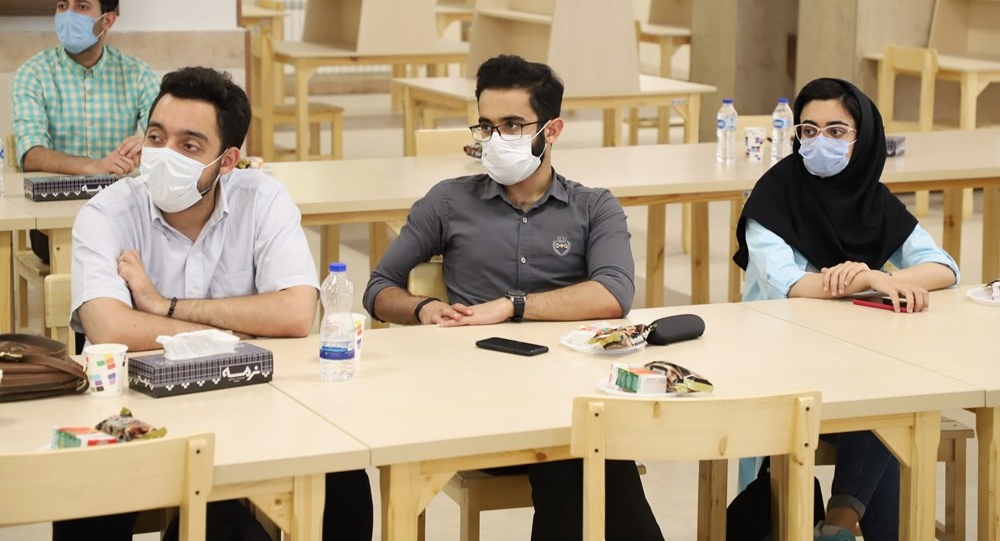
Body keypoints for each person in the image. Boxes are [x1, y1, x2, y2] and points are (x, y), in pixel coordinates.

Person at [363, 54, 663, 541]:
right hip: (476, 403)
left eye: (512, 125)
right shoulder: (448, 201)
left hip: (567, 396)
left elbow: (614, 293)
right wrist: (423, 308)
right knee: (584, 452)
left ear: (552, 130)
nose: (496, 138)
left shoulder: (594, 207)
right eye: (486, 126)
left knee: (584, 445)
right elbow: (378, 288)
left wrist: (513, 305)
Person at [66, 66, 372, 541]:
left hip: (251, 404)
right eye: (155, 138)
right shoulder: (107, 214)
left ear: (227, 161)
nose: (164, 155)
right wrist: (240, 330)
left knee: (344, 476)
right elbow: (110, 328)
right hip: (137, 412)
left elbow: (296, 313)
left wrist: (162, 306)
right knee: (85, 497)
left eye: (189, 146)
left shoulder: (262, 199)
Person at [733, 77, 959, 541]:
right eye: (809, 130)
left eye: (836, 131)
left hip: (852, 362)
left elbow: (944, 267)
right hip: (778, 366)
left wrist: (887, 279)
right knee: (886, 395)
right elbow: (793, 284)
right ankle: (842, 524)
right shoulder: (772, 197)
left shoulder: (873, 200)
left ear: (864, 138)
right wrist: (870, 278)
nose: (820, 142)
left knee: (887, 386)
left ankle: (837, 525)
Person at [12, 0, 159, 263]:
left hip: (124, 214)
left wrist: (146, 144)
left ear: (107, 20)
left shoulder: (138, 74)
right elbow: (31, 155)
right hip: (55, 221)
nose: (68, 15)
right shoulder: (33, 74)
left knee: (147, 253)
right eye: (62, 6)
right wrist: (96, 166)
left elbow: (164, 137)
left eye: (81, 7)